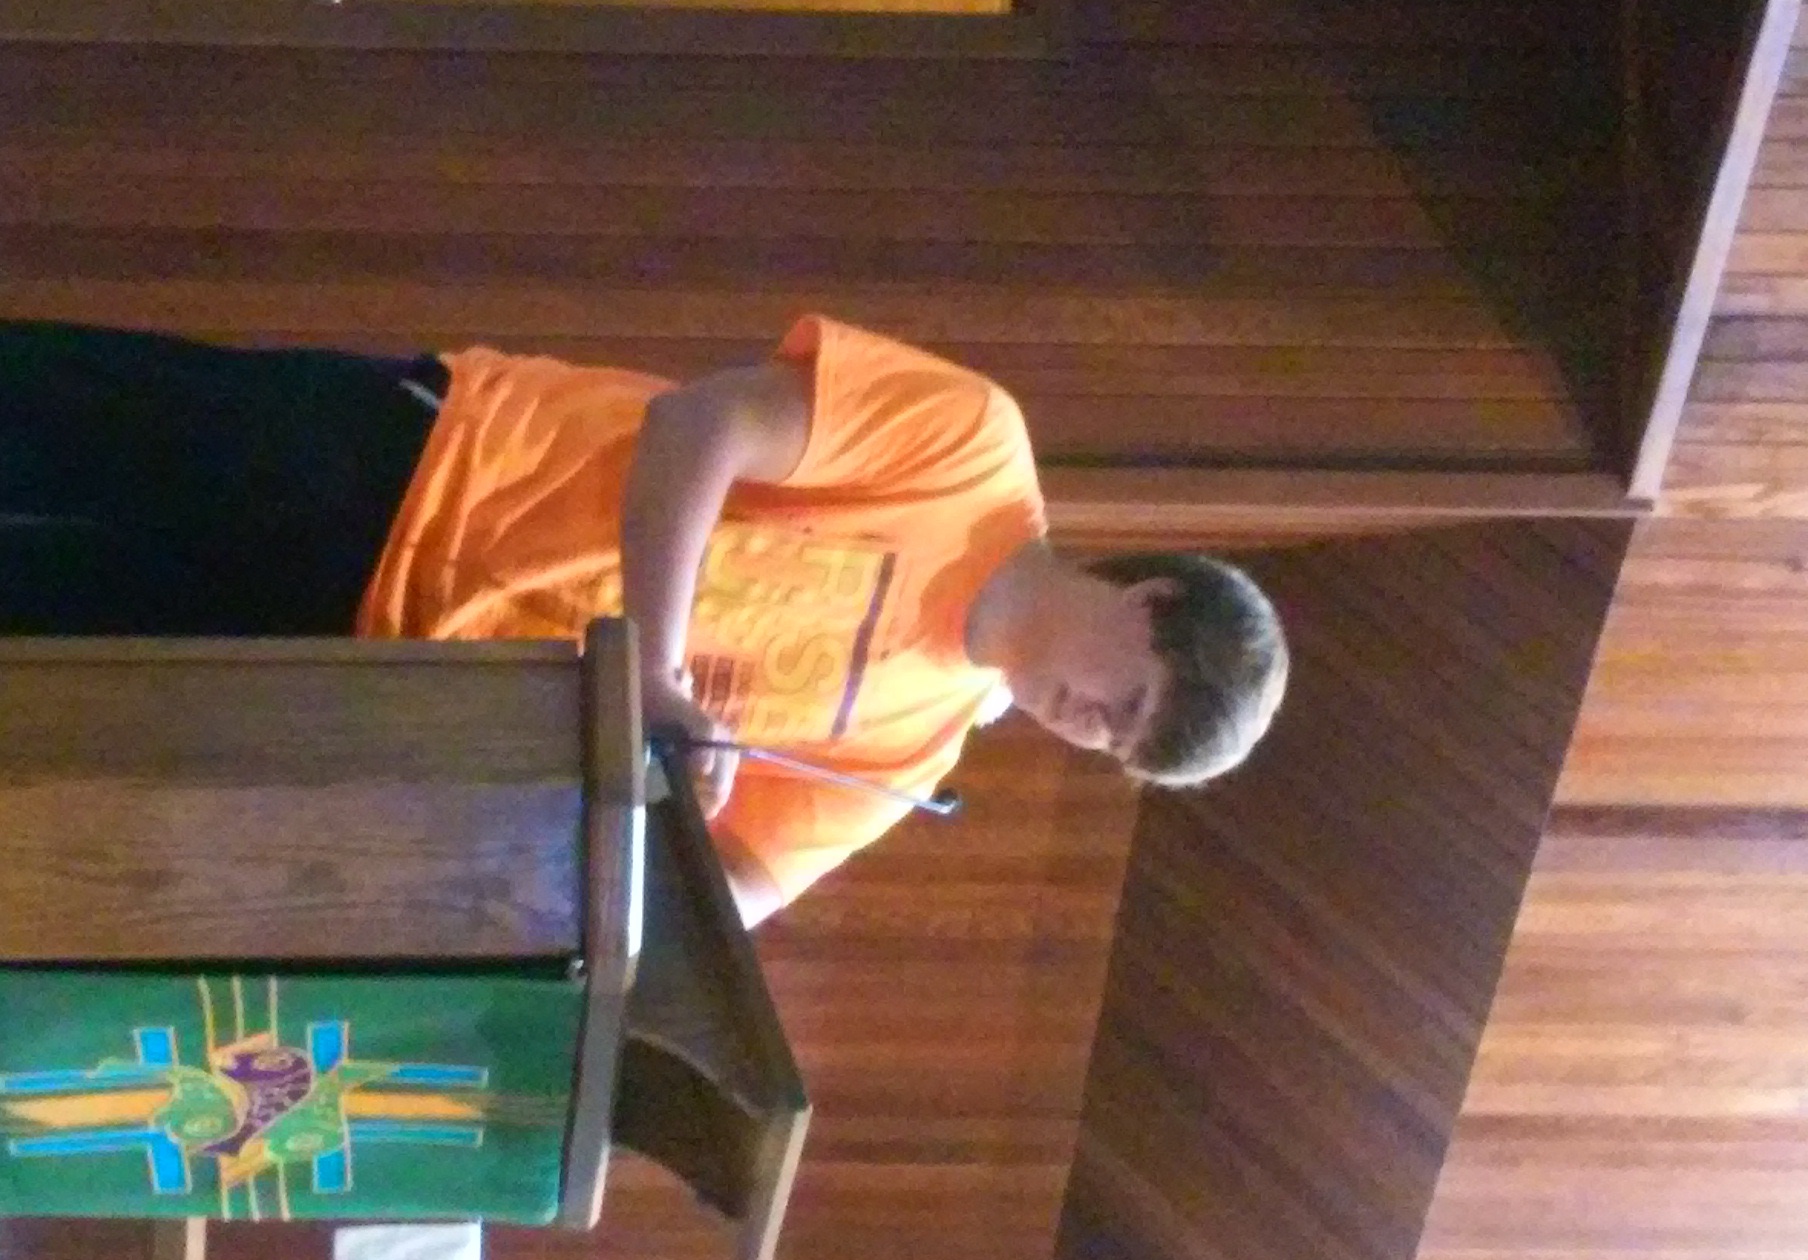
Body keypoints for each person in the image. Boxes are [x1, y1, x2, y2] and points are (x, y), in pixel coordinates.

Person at [0, 315, 1288, 925]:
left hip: (391, 663)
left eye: (1116, 745)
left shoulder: (910, 755)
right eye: (1128, 700)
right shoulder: (974, 452)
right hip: (423, 465)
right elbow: (702, 425)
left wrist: (675, 810)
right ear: (1151, 598)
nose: (1090, 726)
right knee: (54, 418)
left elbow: (730, 895)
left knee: (52, 610)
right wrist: (658, 678)